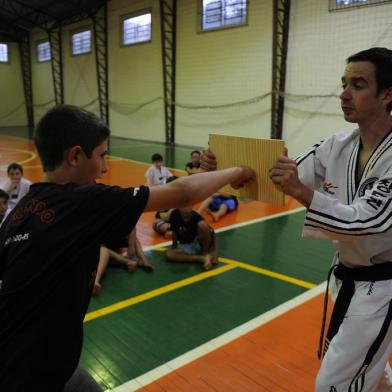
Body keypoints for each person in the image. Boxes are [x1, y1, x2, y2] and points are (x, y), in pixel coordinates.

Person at [0, 104, 254, 391]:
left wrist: (205, 175)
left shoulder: (18, 213)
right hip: (30, 377)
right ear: (74, 156)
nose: (105, 167)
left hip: (42, 359)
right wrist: (239, 172)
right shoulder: (82, 202)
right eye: (101, 155)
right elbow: (181, 193)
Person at [203, 47, 392, 392]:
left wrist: (302, 193)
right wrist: (226, 171)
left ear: (387, 95)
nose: (344, 94)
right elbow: (281, 174)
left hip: (381, 287)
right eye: (344, 83)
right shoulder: (336, 145)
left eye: (359, 85)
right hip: (346, 275)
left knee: (334, 384)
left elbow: (365, 220)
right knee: (371, 369)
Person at [93, 228, 153, 296]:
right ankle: (133, 261)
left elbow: (132, 226)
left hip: (109, 243)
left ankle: (143, 259)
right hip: (105, 246)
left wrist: (131, 246)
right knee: (103, 251)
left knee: (134, 239)